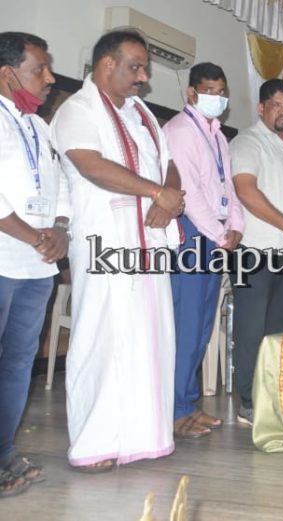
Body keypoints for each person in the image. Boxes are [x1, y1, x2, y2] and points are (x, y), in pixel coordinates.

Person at [51, 30, 184, 471]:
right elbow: (91, 165)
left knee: (149, 338)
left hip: (149, 242)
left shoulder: (141, 113)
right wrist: (156, 193)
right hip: (105, 242)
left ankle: (144, 436)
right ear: (107, 65)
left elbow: (169, 163)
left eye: (145, 68)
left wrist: (168, 197)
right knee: (102, 339)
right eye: (136, 67)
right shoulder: (78, 109)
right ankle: (93, 444)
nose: (144, 78)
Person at [0, 31, 68, 495]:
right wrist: (35, 236)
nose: (49, 78)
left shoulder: (39, 127)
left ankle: (4, 453)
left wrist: (60, 228)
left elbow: (60, 185)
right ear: (8, 74)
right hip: (5, 258)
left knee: (19, 362)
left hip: (38, 266)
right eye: (39, 69)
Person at [162, 62, 243, 439]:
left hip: (215, 234)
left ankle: (187, 404)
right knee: (187, 323)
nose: (217, 97)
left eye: (222, 91)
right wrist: (219, 233)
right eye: (209, 91)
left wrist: (236, 226)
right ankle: (173, 409)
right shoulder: (180, 130)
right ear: (191, 93)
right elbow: (189, 193)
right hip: (192, 234)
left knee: (202, 325)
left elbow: (229, 188)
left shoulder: (219, 135)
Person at [229, 79, 283, 425]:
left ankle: (275, 395)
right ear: (261, 108)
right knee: (252, 329)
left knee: (281, 329)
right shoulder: (247, 142)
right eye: (276, 104)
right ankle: (249, 401)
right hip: (256, 251)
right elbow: (246, 191)